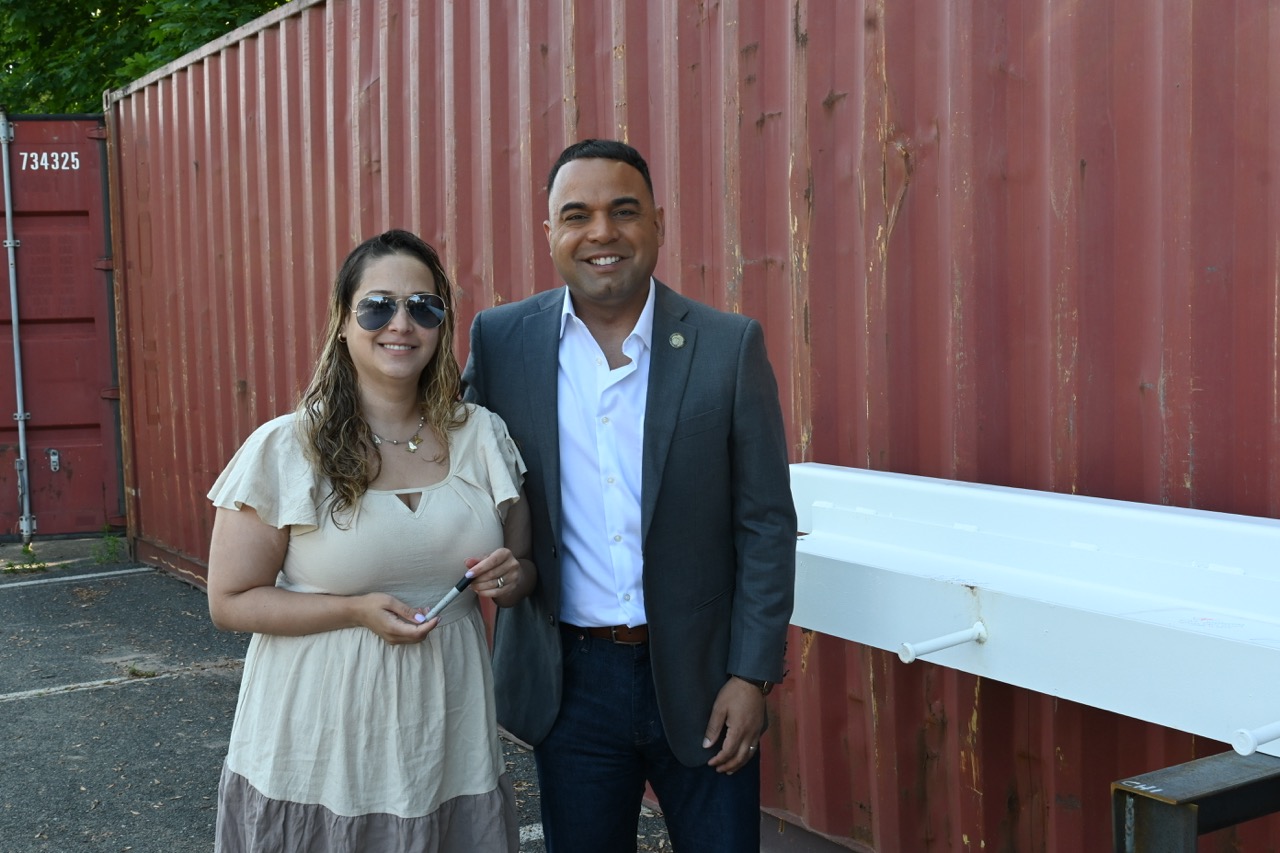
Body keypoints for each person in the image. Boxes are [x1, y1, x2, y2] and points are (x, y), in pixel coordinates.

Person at [462, 139, 797, 852]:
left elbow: (766, 523)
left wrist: (752, 674)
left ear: (658, 222)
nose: (602, 232)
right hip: (569, 683)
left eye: (624, 211)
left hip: (706, 678)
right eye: (576, 214)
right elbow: (442, 455)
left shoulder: (728, 345)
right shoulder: (500, 342)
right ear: (548, 231)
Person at [205, 229, 533, 852]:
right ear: (342, 323)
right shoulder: (286, 447)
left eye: (423, 307)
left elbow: (523, 569)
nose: (400, 324)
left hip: (444, 736)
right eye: (377, 306)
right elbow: (230, 601)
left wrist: (511, 579)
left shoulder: (482, 436)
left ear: (441, 324)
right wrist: (353, 609)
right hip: (318, 741)